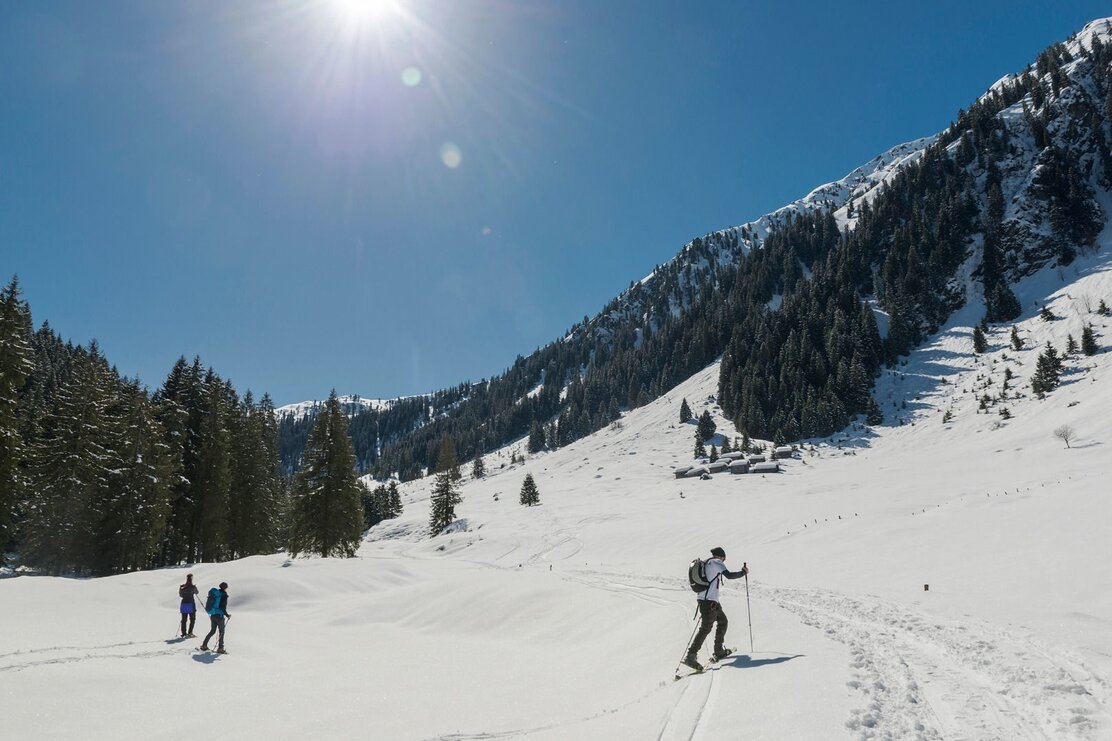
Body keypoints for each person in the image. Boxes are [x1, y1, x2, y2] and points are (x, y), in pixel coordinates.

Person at [683, 547, 747, 671]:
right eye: (724, 559)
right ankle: (691, 656)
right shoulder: (717, 562)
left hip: (710, 602)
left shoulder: (707, 562)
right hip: (709, 603)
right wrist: (743, 572)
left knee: (723, 621)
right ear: (721, 556)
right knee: (705, 628)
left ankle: (718, 651)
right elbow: (729, 575)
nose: (724, 562)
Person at [200, 581, 231, 653]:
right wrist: (227, 615)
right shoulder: (224, 595)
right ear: (226, 587)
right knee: (222, 632)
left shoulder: (216, 594)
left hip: (213, 615)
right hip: (220, 616)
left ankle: (204, 645)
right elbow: (223, 607)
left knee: (212, 631)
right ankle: (220, 648)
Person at [179, 573, 199, 638]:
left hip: (184, 603)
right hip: (191, 603)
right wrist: (194, 588)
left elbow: (180, 595)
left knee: (184, 619)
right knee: (192, 619)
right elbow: (197, 592)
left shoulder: (182, 586)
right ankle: (190, 633)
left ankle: (184, 633)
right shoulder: (192, 587)